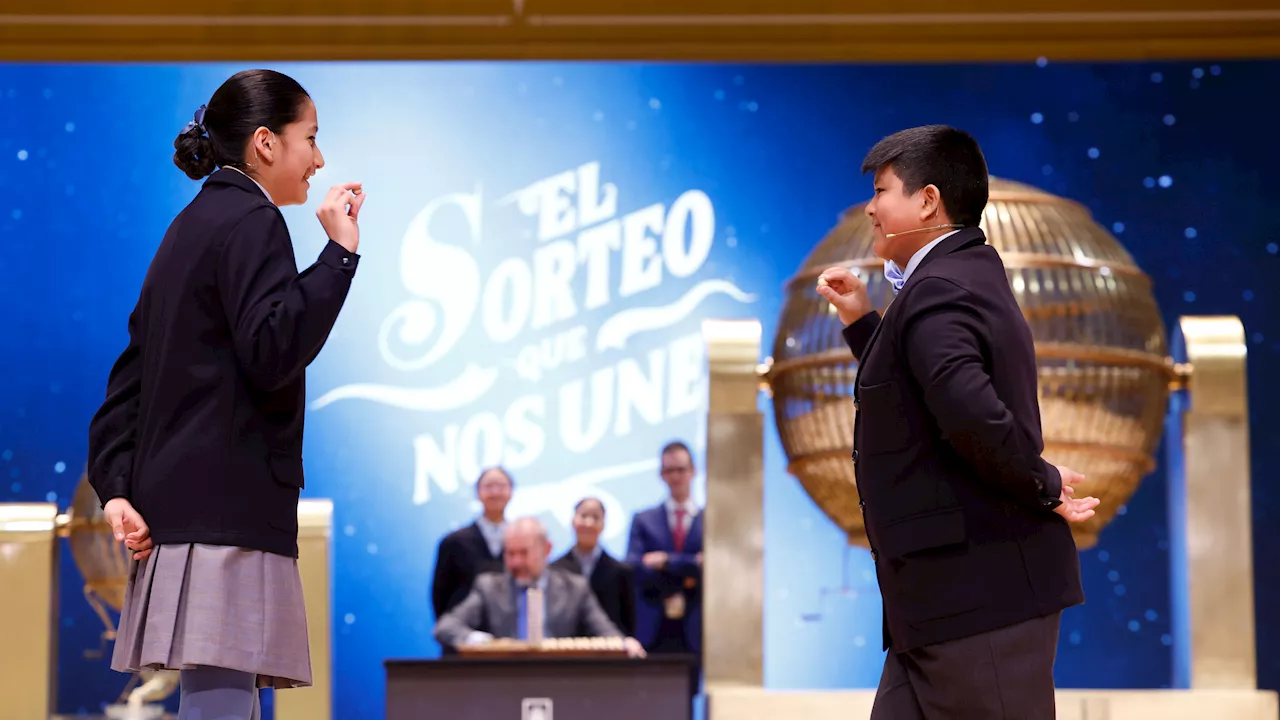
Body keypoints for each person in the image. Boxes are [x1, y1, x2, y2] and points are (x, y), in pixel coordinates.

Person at [86, 68, 366, 720]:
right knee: (220, 707)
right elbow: (272, 352)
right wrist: (338, 257)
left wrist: (117, 484)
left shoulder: (187, 227)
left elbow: (132, 373)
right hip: (225, 516)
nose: (319, 159)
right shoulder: (252, 220)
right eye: (311, 138)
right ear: (266, 143)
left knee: (217, 703)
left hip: (182, 514)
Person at [815, 125, 1100, 720]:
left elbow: (970, 411)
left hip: (977, 599)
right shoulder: (950, 281)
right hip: (938, 605)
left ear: (928, 201)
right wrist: (866, 324)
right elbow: (922, 393)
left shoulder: (940, 288)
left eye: (883, 190)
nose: (870, 206)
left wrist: (1043, 483)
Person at [434, 517, 646, 658]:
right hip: (501, 683)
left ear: (547, 549)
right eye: (510, 554)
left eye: (524, 553)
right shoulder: (488, 587)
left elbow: (606, 633)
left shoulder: (575, 588)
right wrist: (479, 641)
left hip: (561, 683)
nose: (516, 563)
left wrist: (623, 644)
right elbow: (446, 627)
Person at [625, 441, 703, 673]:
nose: (676, 476)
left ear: (693, 471)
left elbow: (713, 568)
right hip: (653, 627)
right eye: (669, 470)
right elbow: (635, 568)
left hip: (695, 628)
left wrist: (667, 562)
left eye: (681, 469)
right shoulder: (644, 520)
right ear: (661, 474)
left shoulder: (710, 521)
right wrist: (691, 567)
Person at [430, 467, 513, 633]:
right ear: (478, 493)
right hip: (464, 639)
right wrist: (452, 633)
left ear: (511, 492)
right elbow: (440, 595)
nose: (495, 492)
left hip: (511, 639)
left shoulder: (522, 542)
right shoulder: (454, 542)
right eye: (489, 486)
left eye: (502, 486)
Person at [551, 496, 637, 636]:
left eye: (595, 517)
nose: (588, 523)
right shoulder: (555, 569)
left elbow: (627, 622)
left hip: (608, 648)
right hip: (564, 648)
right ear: (573, 521)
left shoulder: (621, 571)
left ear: (603, 524)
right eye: (583, 516)